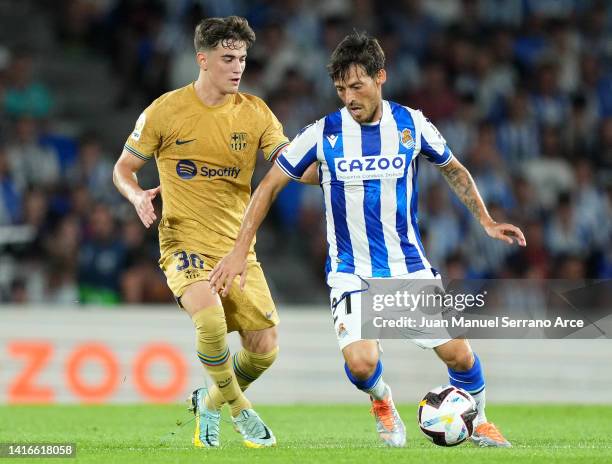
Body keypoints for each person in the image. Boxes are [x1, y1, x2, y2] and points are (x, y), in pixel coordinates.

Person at [209, 31, 526, 448]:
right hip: (350, 272)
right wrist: (237, 251)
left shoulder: (412, 124)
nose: (349, 97)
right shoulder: (323, 134)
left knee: (459, 356)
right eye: (341, 89)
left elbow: (453, 167)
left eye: (356, 86)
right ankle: (383, 402)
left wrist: (485, 220)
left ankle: (480, 419)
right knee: (361, 364)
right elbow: (267, 186)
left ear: (381, 77)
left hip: (407, 266)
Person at [113, 16, 309, 449]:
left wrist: (329, 169)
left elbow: (290, 164)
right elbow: (123, 168)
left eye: (241, 58)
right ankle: (241, 410)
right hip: (183, 242)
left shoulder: (256, 112)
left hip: (238, 248)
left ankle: (210, 399)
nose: (237, 67)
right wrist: (136, 196)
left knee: (264, 348)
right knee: (210, 320)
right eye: (227, 58)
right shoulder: (166, 110)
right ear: (202, 60)